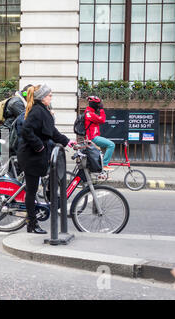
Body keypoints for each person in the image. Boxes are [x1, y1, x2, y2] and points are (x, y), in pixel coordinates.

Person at [17, 85, 76, 234]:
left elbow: (52, 132)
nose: (51, 97)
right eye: (49, 95)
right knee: (31, 190)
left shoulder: (43, 110)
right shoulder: (37, 111)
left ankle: (49, 197)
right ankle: (31, 223)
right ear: (42, 97)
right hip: (31, 156)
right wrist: (39, 147)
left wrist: (68, 142)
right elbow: (26, 131)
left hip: (37, 156)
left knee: (39, 185)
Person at [84, 96, 115, 171]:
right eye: (98, 104)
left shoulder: (89, 112)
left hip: (92, 137)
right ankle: (104, 165)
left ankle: (99, 174)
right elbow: (102, 120)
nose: (99, 105)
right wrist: (101, 110)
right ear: (94, 104)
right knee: (111, 145)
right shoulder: (90, 114)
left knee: (98, 156)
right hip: (93, 138)